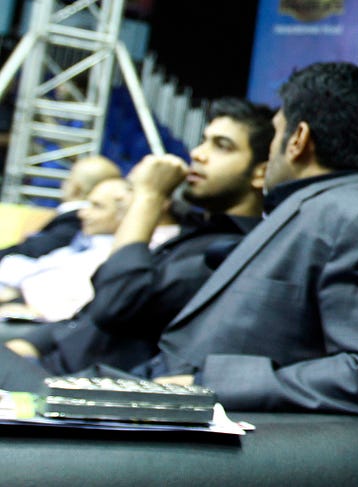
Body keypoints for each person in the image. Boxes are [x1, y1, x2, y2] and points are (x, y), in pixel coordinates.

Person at [0, 62, 358, 415]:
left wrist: (205, 384)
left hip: (160, 410)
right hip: (129, 393)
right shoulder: (311, 210)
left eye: (277, 133)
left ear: (297, 141)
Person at [2, 97, 273, 373]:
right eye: (203, 141)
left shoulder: (232, 251)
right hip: (51, 360)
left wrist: (148, 196)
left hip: (85, 388)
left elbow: (114, 303)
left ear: (261, 173)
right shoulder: (195, 232)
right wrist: (30, 345)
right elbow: (89, 313)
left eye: (222, 146)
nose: (198, 154)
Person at [0, 177, 133, 322]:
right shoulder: (84, 242)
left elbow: (73, 310)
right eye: (88, 204)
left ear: (125, 215)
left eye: (97, 206)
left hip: (37, 320)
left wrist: (34, 310)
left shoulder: (114, 257)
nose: (83, 213)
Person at [0, 154, 121, 260]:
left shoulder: (74, 222)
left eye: (69, 178)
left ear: (76, 188)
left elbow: (32, 251)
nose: (83, 214)